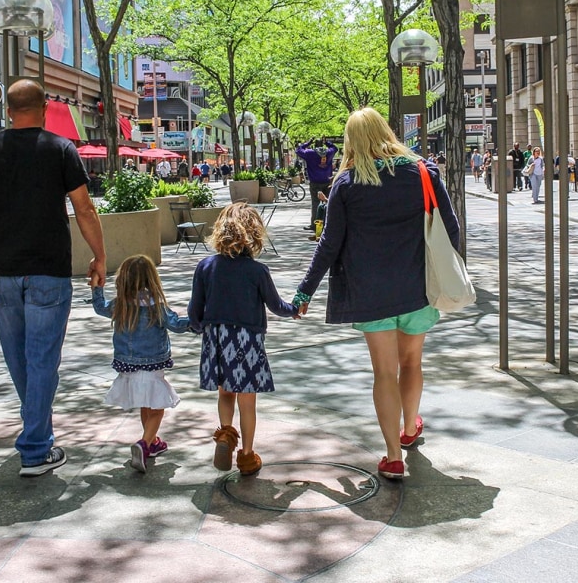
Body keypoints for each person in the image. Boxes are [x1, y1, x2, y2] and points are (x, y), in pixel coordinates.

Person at [0, 79, 106, 477]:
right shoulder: (61, 148)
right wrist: (99, 256)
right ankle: (34, 448)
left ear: (9, 110)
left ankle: (37, 437)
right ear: (45, 107)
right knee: (42, 359)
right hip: (48, 268)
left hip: (1, 269)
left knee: (20, 359)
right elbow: (84, 209)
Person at [294, 107, 459, 481]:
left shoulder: (347, 184)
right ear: (387, 132)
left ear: (352, 141)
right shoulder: (422, 173)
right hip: (418, 287)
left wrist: (305, 292)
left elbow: (328, 245)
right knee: (412, 363)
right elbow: (451, 229)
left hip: (370, 292)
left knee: (384, 372)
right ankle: (410, 430)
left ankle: (391, 455)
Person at [188, 202, 300, 476]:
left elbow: (195, 309)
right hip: (247, 339)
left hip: (216, 337)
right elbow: (275, 305)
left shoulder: (206, 266)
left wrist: (197, 326)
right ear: (255, 234)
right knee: (247, 401)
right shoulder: (257, 271)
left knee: (225, 392)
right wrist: (294, 309)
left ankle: (225, 434)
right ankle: (247, 456)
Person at [91, 255, 192, 474]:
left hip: (127, 364)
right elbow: (176, 324)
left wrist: (97, 287)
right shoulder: (156, 306)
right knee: (156, 409)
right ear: (152, 279)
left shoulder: (120, 304)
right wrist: (197, 322)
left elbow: (99, 307)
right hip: (152, 364)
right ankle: (144, 444)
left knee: (146, 405)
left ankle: (152, 442)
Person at [296, 137, 338, 231]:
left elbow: (298, 150)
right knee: (328, 202)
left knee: (315, 203)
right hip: (327, 181)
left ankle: (314, 224)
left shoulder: (310, 153)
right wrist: (327, 142)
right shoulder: (329, 152)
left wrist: (307, 143)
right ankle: (327, 223)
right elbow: (335, 148)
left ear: (314, 145)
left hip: (315, 182)